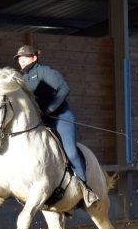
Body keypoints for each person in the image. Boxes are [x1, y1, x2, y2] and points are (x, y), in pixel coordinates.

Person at [15, 44, 99, 206]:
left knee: (71, 152)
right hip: (41, 121)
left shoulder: (45, 71)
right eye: (19, 59)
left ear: (34, 58)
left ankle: (86, 189)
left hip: (60, 116)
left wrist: (50, 108)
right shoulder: (22, 79)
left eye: (25, 58)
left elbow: (64, 88)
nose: (21, 61)